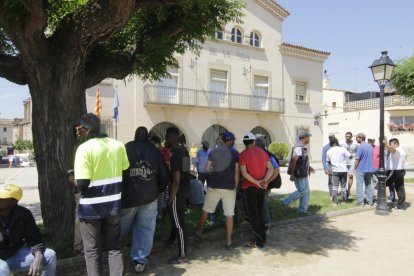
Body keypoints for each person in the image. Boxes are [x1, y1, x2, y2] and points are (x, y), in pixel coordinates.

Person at [74, 113, 129, 276]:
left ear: (86, 130)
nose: (78, 133)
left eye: (79, 129)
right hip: (113, 206)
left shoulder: (83, 149)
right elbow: (124, 169)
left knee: (91, 250)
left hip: (91, 210)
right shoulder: (118, 145)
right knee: (114, 248)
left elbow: (82, 183)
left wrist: (72, 180)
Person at [121, 127, 168, 273]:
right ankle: (140, 261)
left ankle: (112, 253)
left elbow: (118, 172)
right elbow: (164, 176)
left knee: (120, 228)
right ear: (147, 137)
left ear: (135, 136)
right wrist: (157, 190)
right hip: (149, 197)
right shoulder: (155, 151)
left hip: (128, 197)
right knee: (145, 229)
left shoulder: (126, 148)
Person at [192, 131, 239, 249]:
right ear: (232, 141)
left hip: (214, 185)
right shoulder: (235, 153)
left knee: (206, 209)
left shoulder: (213, 151)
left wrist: (213, 177)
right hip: (229, 187)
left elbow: (207, 169)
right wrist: (236, 186)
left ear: (222, 140)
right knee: (229, 214)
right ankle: (228, 241)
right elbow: (237, 172)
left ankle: (198, 232)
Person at [0, 184, 56, 275]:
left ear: (13, 202)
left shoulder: (23, 214)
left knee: (50, 255)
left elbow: (35, 238)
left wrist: (38, 257)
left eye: (2, 198)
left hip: (13, 255)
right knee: (2, 269)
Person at [239, 132, 274, 248]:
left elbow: (244, 173)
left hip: (249, 188)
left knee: (253, 215)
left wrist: (256, 182)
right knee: (260, 212)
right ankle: (262, 237)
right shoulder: (262, 152)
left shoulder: (242, 155)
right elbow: (271, 168)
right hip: (262, 188)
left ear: (244, 143)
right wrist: (264, 181)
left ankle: (258, 241)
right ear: (254, 142)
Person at [164, 127, 191, 264]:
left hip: (177, 193)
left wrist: (171, 198)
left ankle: (183, 255)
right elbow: (186, 172)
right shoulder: (184, 151)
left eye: (167, 137)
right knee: (179, 221)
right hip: (185, 191)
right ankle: (172, 242)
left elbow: (176, 181)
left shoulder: (175, 155)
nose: (166, 140)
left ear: (172, 137)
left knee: (179, 224)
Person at [282, 130, 315, 214]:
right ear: (305, 138)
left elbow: (302, 160)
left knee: (306, 192)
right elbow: (294, 161)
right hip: (298, 174)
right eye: (308, 137)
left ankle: (302, 209)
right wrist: (292, 174)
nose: (309, 139)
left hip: (303, 173)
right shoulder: (299, 147)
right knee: (302, 191)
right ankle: (285, 202)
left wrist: (309, 167)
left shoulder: (302, 147)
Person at [255, 134, 280, 233]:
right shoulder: (263, 154)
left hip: (264, 184)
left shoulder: (267, 155)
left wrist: (267, 181)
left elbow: (276, 169)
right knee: (262, 203)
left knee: (263, 204)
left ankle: (266, 224)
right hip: (261, 183)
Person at [326, 138, 351, 205]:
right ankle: (344, 201)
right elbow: (350, 156)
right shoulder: (342, 149)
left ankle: (334, 202)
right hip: (343, 170)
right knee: (343, 186)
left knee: (335, 186)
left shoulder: (329, 151)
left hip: (335, 170)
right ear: (337, 142)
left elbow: (328, 162)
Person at [384, 138, 407, 210]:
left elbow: (393, 149)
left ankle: (381, 202)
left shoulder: (398, 150)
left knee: (382, 184)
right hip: (400, 171)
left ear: (395, 144)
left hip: (394, 171)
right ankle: (400, 205)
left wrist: (385, 144)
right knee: (400, 188)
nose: (390, 146)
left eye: (391, 144)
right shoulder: (403, 151)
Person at [354, 133, 375, 207]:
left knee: (359, 185)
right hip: (369, 169)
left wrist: (355, 168)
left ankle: (361, 202)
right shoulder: (370, 147)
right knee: (369, 185)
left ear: (360, 138)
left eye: (356, 137)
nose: (356, 139)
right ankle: (370, 201)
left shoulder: (360, 147)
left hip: (361, 169)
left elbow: (357, 160)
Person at [340, 132, 359, 198]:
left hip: (352, 162)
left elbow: (358, 153)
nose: (347, 138)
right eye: (346, 136)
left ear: (351, 137)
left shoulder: (355, 144)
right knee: (343, 176)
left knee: (350, 176)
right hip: (344, 162)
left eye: (349, 136)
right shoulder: (341, 143)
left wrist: (357, 161)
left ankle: (348, 191)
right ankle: (344, 190)